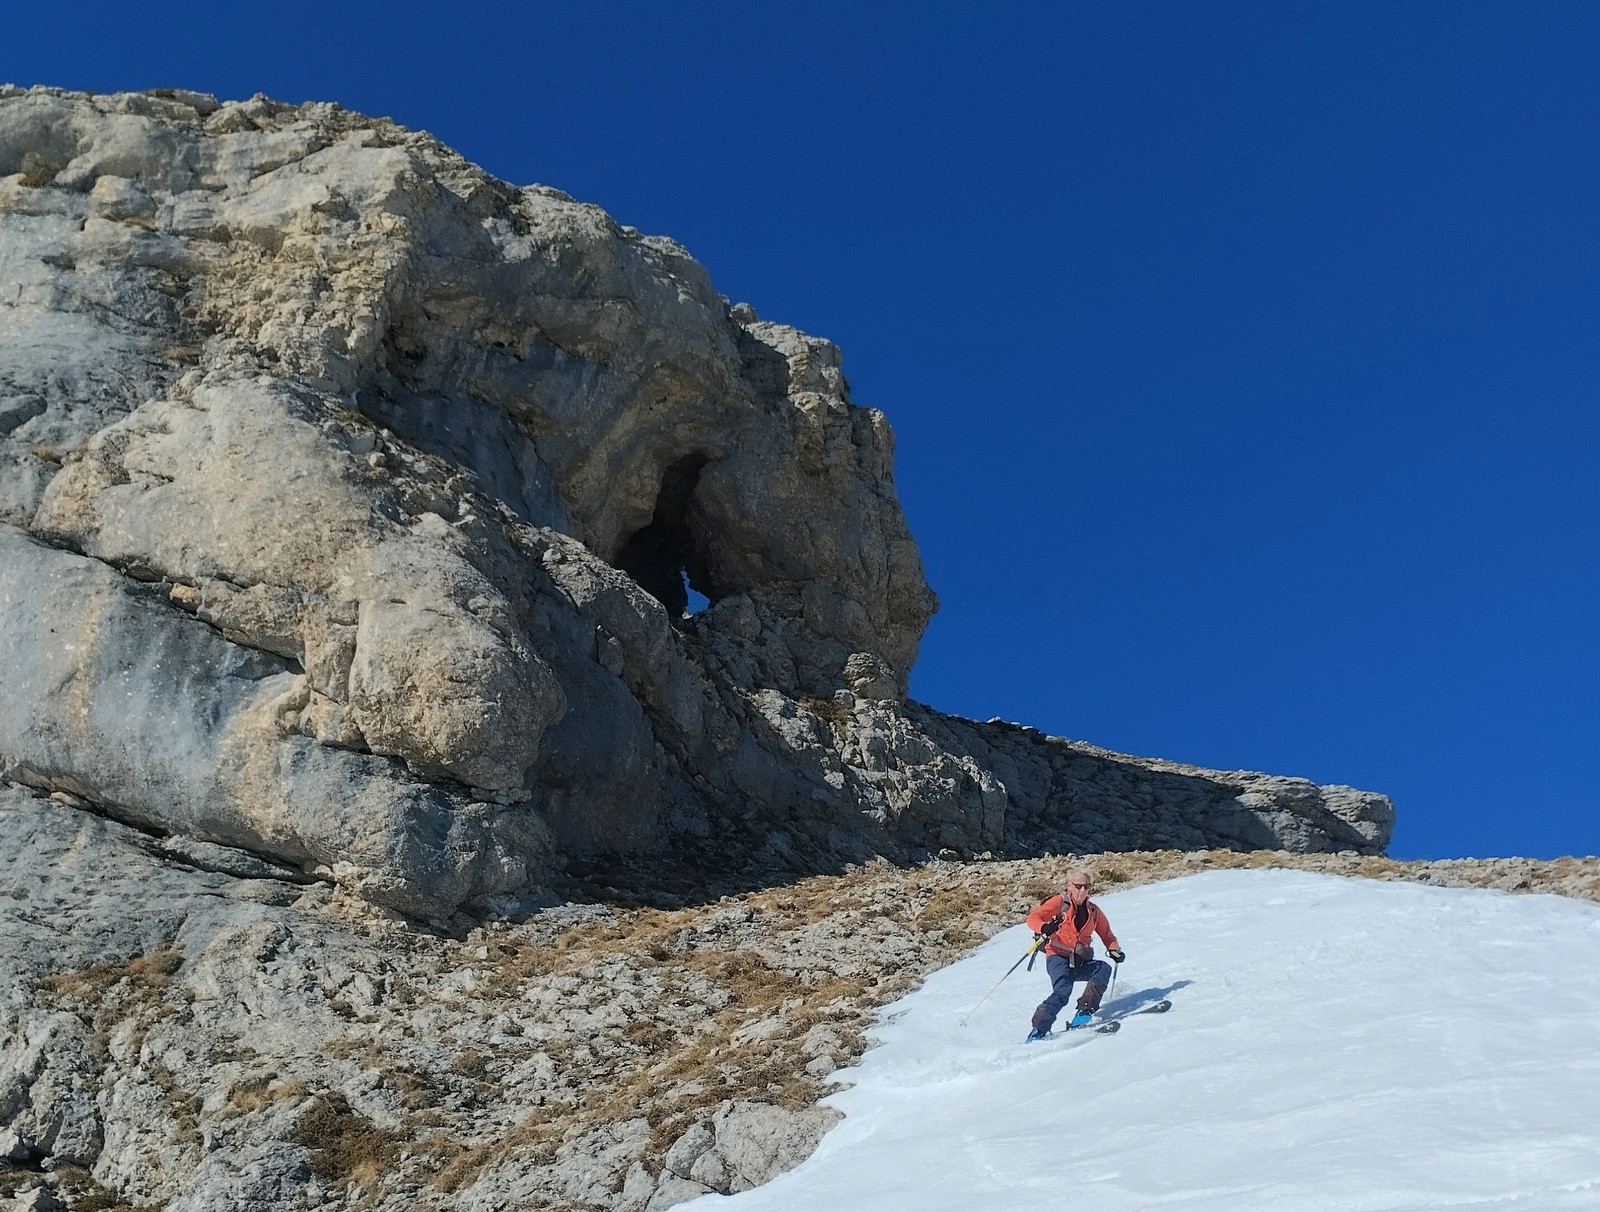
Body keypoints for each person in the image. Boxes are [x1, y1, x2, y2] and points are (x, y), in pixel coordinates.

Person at [1024, 869, 1125, 1040]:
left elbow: (1107, 935)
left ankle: (1084, 1011)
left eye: (1086, 886)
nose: (1083, 891)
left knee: (1102, 969)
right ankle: (1038, 1029)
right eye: (1078, 886)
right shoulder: (1059, 903)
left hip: (1080, 959)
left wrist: (1113, 949)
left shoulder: (1094, 912)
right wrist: (1044, 928)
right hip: (1057, 956)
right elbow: (1033, 918)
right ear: (1069, 887)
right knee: (1063, 990)